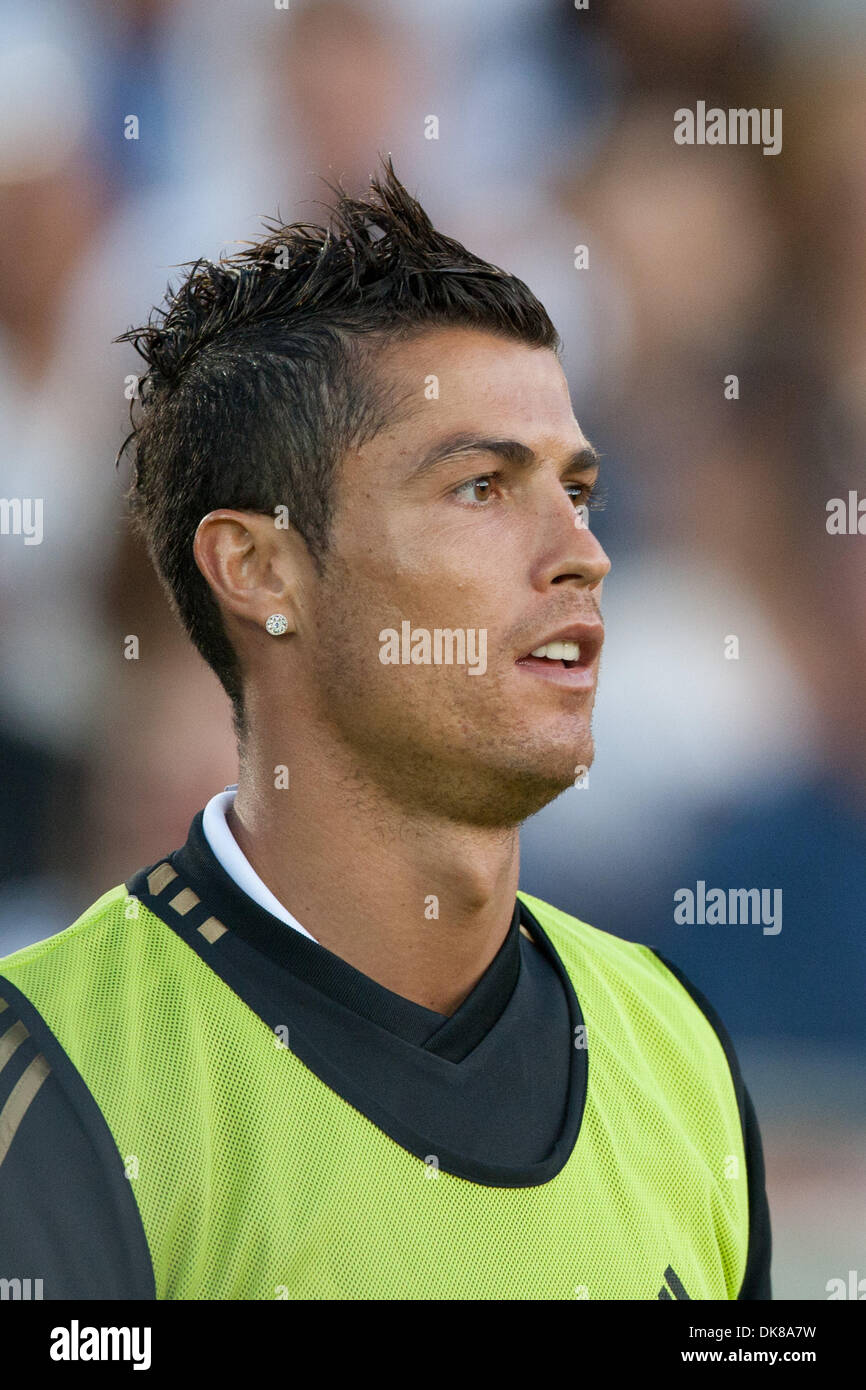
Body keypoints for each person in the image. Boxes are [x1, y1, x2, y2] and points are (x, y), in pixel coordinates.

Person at [0, 159, 770, 1300]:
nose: (581, 551)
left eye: (578, 489)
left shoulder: (677, 1044)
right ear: (261, 569)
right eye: (479, 488)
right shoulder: (59, 1077)